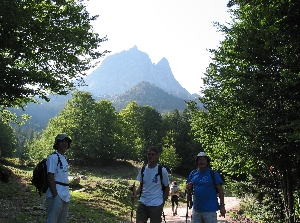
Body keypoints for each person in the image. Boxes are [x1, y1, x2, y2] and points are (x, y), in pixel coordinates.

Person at [133, 146, 170, 223]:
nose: (150, 156)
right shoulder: (143, 169)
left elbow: (167, 187)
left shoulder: (162, 170)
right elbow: (141, 185)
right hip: (143, 202)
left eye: (153, 154)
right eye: (149, 154)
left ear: (157, 156)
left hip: (156, 204)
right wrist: (135, 193)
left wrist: (162, 202)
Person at [186, 152, 226, 223]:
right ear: (197, 162)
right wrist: (188, 189)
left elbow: (220, 191)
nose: (202, 161)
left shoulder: (213, 173)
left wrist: (222, 206)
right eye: (200, 160)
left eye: (203, 159)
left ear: (207, 162)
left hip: (210, 210)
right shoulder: (193, 174)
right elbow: (190, 191)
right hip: (196, 209)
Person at [46, 134, 72, 223]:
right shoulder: (53, 157)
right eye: (62, 141)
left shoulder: (64, 158)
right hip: (56, 194)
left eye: (66, 141)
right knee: (52, 220)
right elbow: (50, 177)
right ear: (57, 143)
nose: (64, 143)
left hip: (65, 195)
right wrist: (55, 195)